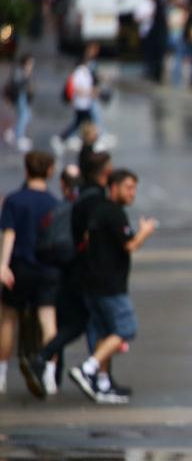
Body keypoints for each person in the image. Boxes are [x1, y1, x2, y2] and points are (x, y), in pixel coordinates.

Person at [69, 169, 157, 405]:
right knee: (126, 328)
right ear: (114, 187)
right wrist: (145, 233)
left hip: (92, 281)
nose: (132, 193)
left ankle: (103, 383)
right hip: (110, 284)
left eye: (134, 188)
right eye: (128, 187)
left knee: (103, 332)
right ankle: (88, 369)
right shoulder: (114, 213)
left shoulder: (98, 210)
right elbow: (130, 245)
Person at [31, 153, 113, 389]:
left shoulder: (65, 205)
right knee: (94, 323)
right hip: (84, 272)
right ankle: (96, 374)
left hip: (63, 271)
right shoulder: (93, 199)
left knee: (72, 322)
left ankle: (50, 366)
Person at [0, 151, 61, 398]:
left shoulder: (14, 201)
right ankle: (49, 374)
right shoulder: (54, 203)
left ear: (26, 170)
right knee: (48, 322)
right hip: (47, 269)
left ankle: (1, 374)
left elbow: (10, 234)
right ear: (49, 172)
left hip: (20, 267)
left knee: (8, 319)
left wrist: (3, 265)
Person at [56, 44, 99, 151]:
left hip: (85, 103)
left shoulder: (84, 72)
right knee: (87, 123)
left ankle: (64, 138)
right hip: (81, 103)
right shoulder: (79, 72)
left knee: (79, 123)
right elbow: (77, 89)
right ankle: (88, 141)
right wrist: (89, 93)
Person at [5, 54, 34, 152]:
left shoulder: (23, 71)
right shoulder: (19, 71)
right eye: (30, 63)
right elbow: (16, 84)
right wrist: (26, 76)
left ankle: (13, 132)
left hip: (23, 96)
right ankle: (18, 137)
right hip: (19, 96)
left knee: (27, 115)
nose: (31, 66)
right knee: (24, 116)